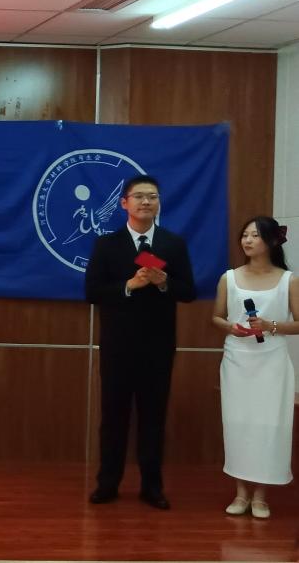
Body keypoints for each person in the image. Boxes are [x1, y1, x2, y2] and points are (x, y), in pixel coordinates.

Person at [84, 174, 195, 509]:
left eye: (153, 196)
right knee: (113, 417)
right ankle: (107, 483)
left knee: (153, 418)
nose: (147, 202)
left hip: (158, 347)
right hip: (118, 346)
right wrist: (129, 285)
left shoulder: (173, 244)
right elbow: (92, 292)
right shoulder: (107, 244)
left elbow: (188, 292)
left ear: (159, 203)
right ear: (124, 203)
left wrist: (163, 282)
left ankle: (152, 487)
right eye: (140, 196)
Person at [212, 216, 296, 519]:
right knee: (238, 425)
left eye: (255, 235)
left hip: (272, 362)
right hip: (238, 360)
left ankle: (261, 495)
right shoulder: (229, 278)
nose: (247, 240)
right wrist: (231, 328)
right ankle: (241, 492)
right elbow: (217, 317)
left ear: (272, 241)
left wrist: (270, 325)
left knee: (269, 426)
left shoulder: (289, 280)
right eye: (245, 235)